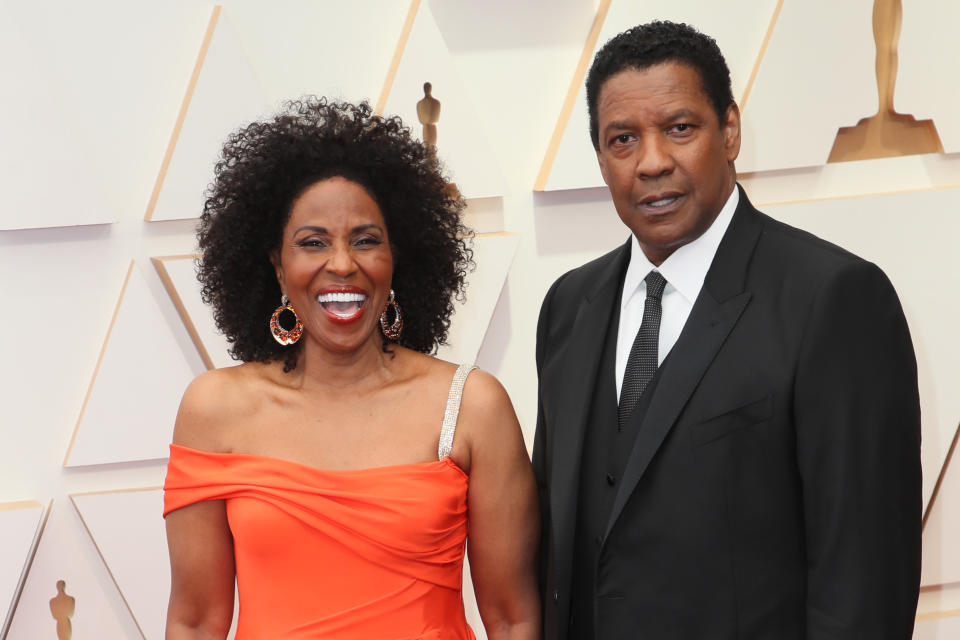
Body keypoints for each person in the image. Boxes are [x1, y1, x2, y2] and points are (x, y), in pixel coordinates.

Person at [532, 21, 921, 640]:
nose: (652, 162)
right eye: (623, 139)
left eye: (680, 129)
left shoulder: (834, 299)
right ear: (602, 157)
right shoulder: (567, 308)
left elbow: (863, 581)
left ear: (731, 130)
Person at [163, 98, 540, 640]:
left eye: (366, 240)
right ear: (276, 266)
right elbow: (195, 623)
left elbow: (513, 620)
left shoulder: (471, 406)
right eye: (312, 243)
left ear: (396, 257)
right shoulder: (214, 409)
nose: (342, 264)